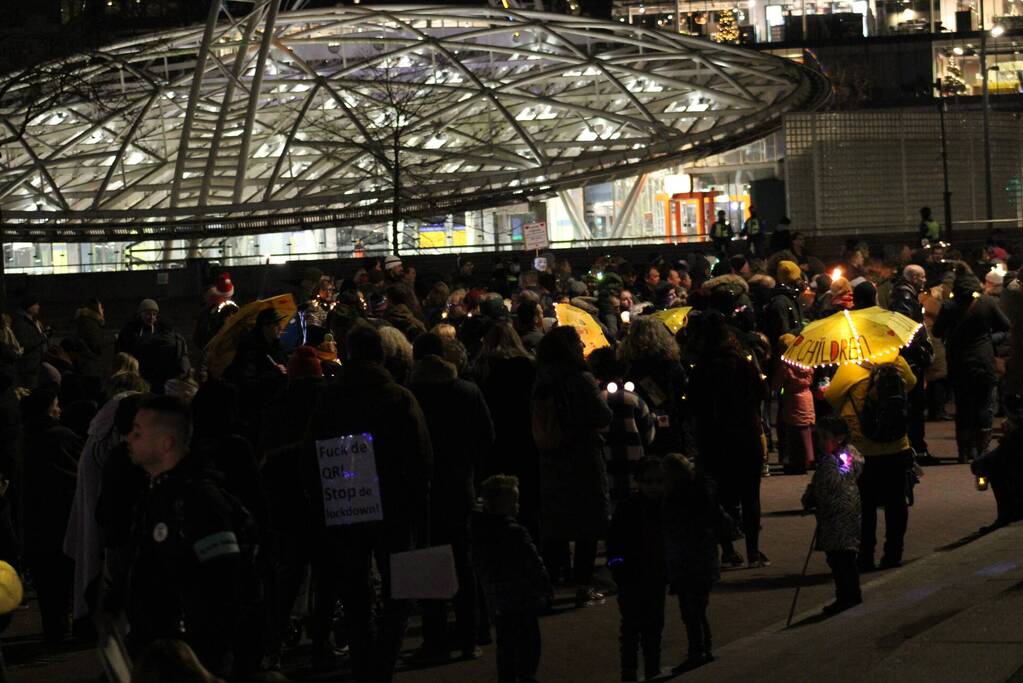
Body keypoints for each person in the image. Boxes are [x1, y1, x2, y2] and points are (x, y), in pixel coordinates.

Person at [304, 326, 432, 680]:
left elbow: (313, 451)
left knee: (355, 587)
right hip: (395, 503)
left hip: (348, 501)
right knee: (399, 587)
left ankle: (363, 659)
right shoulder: (399, 397)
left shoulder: (329, 398)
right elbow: (421, 457)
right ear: (381, 356)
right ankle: (385, 658)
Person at [123, 395, 243, 677]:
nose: (129, 437)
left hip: (191, 659)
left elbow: (224, 583)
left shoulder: (198, 501)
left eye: (138, 432)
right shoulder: (159, 494)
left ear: (166, 443)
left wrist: (198, 655)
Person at [408, 333, 494, 663]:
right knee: (463, 561)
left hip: (424, 488)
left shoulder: (411, 394)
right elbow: (487, 437)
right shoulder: (466, 391)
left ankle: (435, 640)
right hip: (460, 484)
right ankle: (470, 636)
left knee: (429, 562)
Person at [532, 326, 613, 607]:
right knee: (587, 521)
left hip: (551, 455)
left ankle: (553, 580)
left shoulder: (541, 379)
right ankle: (583, 582)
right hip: (582, 453)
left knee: (557, 521)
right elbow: (602, 415)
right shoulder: (580, 378)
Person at [689, 313, 769, 569]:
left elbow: (692, 405)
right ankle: (754, 552)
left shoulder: (701, 369)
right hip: (745, 435)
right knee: (750, 496)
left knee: (720, 497)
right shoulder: (743, 366)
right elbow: (762, 393)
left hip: (714, 439)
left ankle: (728, 551)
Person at [824, 352, 915, 571]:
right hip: (897, 443)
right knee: (896, 501)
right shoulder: (897, 359)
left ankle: (866, 556)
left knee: (866, 504)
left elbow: (832, 397)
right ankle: (893, 553)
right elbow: (910, 384)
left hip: (864, 448)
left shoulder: (850, 366)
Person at [472, 474, 551, 683]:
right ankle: (526, 675)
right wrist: (544, 586)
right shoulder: (516, 533)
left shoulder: (480, 534)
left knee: (505, 643)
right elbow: (534, 562)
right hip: (522, 596)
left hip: (498, 600)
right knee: (529, 640)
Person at [21, 386, 82, 644]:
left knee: (46, 584)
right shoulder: (64, 437)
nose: (59, 409)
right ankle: (64, 627)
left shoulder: (24, 438)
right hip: (62, 518)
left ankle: (53, 629)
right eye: (55, 404)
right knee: (64, 579)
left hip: (34, 522)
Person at [933, 268, 1010, 463]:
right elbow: (1005, 326)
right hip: (984, 360)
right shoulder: (987, 302)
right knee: (984, 405)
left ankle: (963, 452)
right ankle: (981, 448)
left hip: (959, 362)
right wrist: (989, 339)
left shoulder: (949, 306)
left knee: (963, 406)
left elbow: (937, 331)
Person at [607, 456, 666, 682]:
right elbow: (614, 541)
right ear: (639, 483)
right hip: (632, 577)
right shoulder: (628, 508)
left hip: (655, 575)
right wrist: (618, 568)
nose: (654, 486)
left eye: (658, 481)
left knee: (653, 626)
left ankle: (652, 668)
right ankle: (630, 672)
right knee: (632, 627)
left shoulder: (663, 507)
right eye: (649, 482)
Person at [661, 453, 721, 674]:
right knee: (699, 609)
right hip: (704, 559)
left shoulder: (678, 499)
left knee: (691, 611)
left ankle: (697, 651)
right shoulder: (701, 491)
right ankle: (705, 649)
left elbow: (678, 533)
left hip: (688, 562)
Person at [801, 416, 864, 615]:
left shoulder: (839, 459)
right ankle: (848, 595)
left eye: (824, 437)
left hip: (839, 515)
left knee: (842, 559)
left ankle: (847, 596)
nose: (820, 443)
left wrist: (813, 497)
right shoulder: (840, 457)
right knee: (840, 558)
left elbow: (834, 482)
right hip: (840, 514)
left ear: (839, 438)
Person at [588, 348, 656, 504]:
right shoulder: (635, 400)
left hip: (603, 475)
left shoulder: (594, 401)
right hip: (634, 474)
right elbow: (649, 436)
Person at [773, 335, 815, 474]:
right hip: (807, 397)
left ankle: (796, 463)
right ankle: (808, 460)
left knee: (794, 433)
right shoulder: (806, 362)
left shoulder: (785, 365)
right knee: (806, 430)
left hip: (792, 399)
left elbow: (777, 385)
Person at [11, 293, 48, 389]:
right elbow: (25, 343)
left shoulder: (34, 321)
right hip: (29, 366)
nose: (38, 306)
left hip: (37, 364)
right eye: (36, 304)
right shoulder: (20, 323)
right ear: (29, 306)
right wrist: (42, 337)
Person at [73, 298, 107, 400]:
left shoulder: (85, 322)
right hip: (91, 368)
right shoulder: (90, 323)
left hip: (88, 367)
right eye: (101, 307)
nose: (103, 310)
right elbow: (96, 343)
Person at [766, 261, 805, 345]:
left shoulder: (792, 298)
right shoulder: (780, 302)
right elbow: (784, 334)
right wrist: (804, 328)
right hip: (786, 350)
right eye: (797, 278)